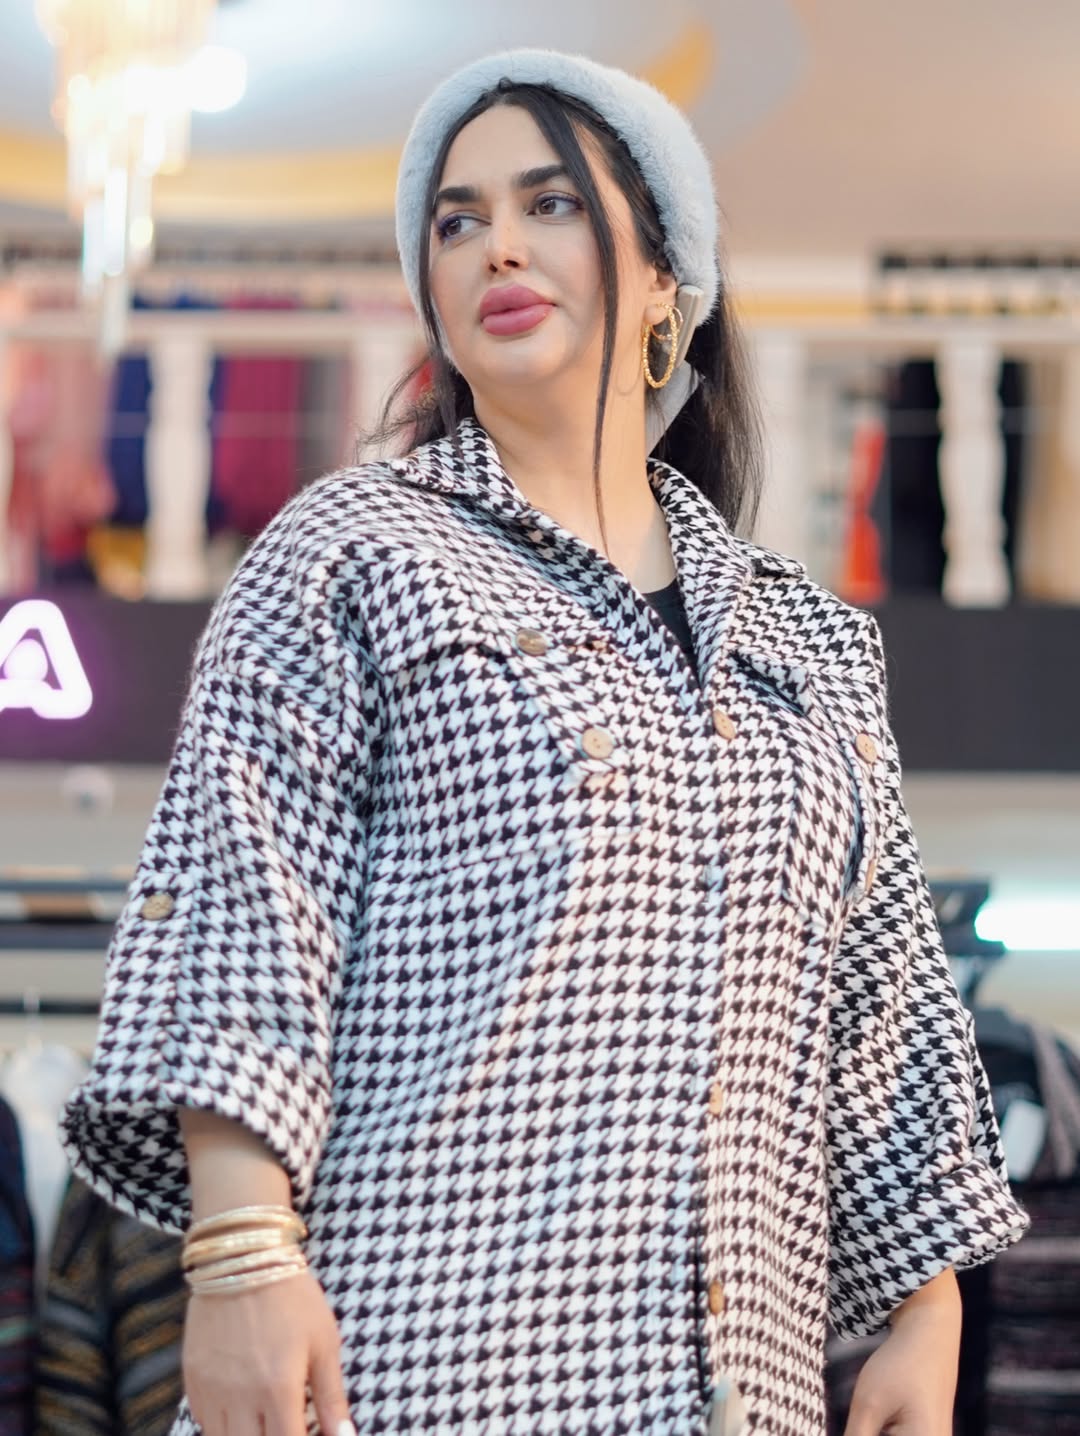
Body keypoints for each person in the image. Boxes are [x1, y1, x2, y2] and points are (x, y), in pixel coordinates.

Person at [60, 48, 1029, 1436]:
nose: (497, 245)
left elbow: (878, 998)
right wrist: (242, 1258)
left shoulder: (813, 639)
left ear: (667, 278)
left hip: (738, 1388)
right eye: (456, 222)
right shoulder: (355, 552)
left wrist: (927, 1312)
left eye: (549, 203)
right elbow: (241, 909)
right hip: (414, 1363)